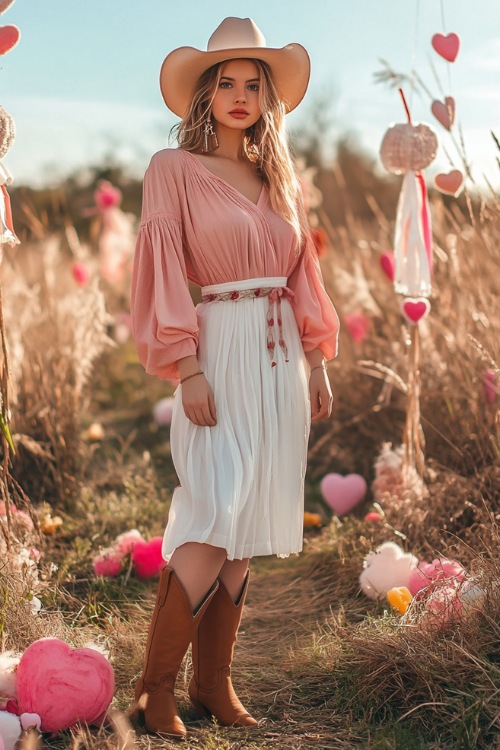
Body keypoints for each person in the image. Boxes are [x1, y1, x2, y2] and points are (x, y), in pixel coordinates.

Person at [129, 17, 340, 740]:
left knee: (244, 525)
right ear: (206, 94)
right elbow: (160, 272)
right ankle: (154, 691)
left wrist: (316, 360)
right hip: (217, 344)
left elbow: (301, 275)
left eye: (255, 84)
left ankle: (212, 684)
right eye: (228, 82)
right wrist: (186, 364)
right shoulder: (172, 169)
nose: (242, 95)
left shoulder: (279, 177)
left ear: (268, 98)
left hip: (281, 356)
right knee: (212, 511)